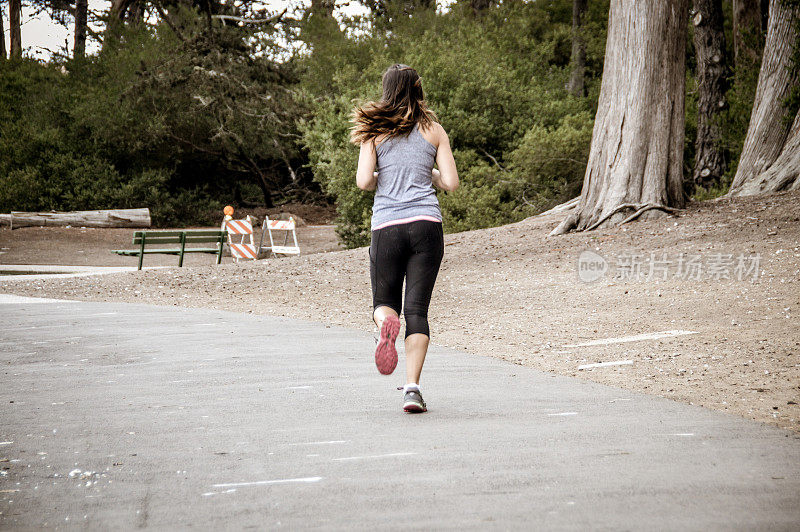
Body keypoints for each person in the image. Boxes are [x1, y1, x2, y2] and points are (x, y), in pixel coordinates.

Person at [351, 64, 459, 413]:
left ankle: (386, 324)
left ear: (387, 90)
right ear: (417, 88)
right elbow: (451, 183)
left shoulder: (374, 133)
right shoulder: (434, 130)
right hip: (427, 225)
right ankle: (412, 389)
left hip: (387, 227)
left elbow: (364, 182)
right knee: (418, 311)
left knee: (384, 303)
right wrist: (427, 173)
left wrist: (387, 174)